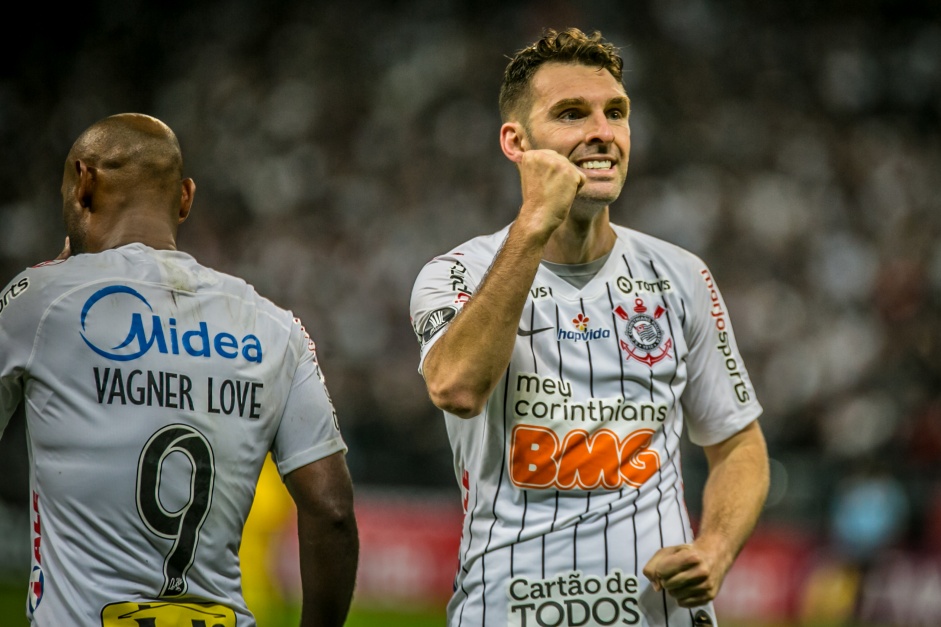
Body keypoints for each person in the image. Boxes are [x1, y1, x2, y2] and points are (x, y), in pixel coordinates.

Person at [409, 28, 769, 627]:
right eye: (572, 114)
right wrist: (533, 224)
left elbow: (738, 445)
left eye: (616, 113)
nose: (602, 132)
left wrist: (717, 548)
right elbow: (458, 388)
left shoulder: (681, 276)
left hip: (660, 615)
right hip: (508, 613)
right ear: (516, 143)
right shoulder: (455, 273)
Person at [0, 113, 358, 626]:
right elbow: (332, 511)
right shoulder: (276, 326)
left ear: (83, 183)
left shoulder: (42, 301)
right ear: (185, 197)